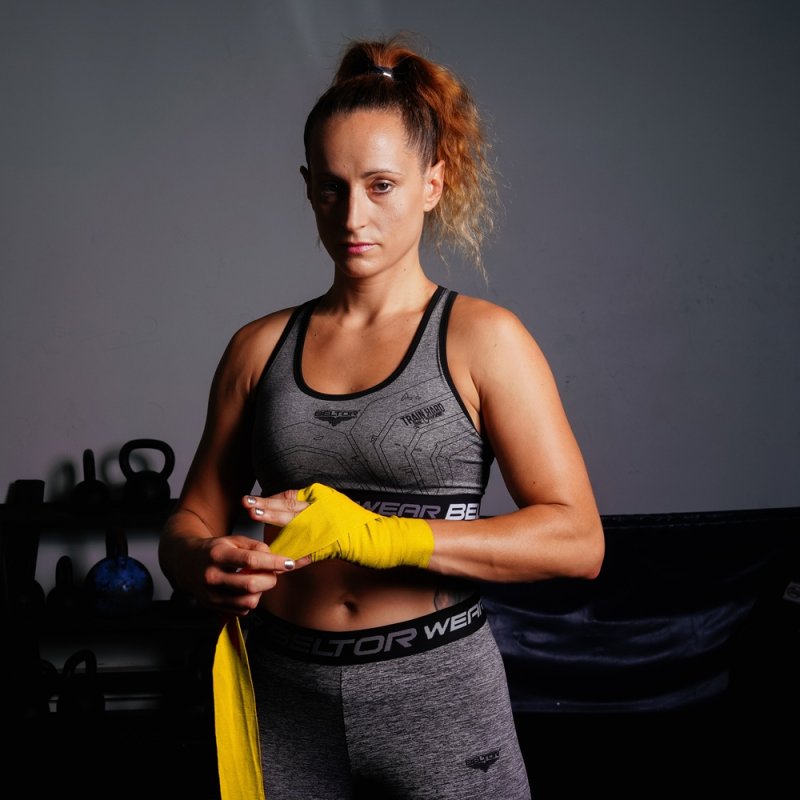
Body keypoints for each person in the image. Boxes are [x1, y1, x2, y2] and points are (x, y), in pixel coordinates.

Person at [159, 33, 604, 800]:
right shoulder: (258, 349)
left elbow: (577, 541)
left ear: (433, 183)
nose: (353, 215)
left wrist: (378, 535)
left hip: (437, 697)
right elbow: (189, 521)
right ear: (308, 188)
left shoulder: (484, 339)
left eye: (381, 185)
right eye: (332, 188)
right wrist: (202, 563)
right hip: (284, 695)